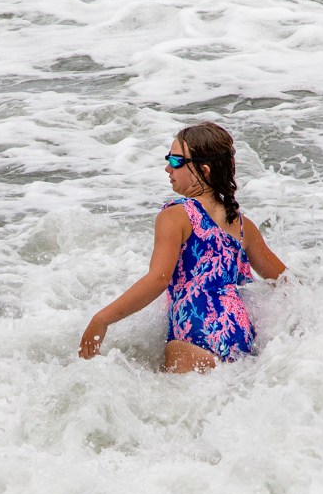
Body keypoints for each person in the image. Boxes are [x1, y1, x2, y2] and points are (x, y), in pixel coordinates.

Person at [78, 121, 286, 373]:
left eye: (176, 161)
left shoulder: (176, 216)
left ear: (204, 170)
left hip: (194, 334)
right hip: (240, 336)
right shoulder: (243, 225)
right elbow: (287, 283)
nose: (168, 168)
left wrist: (102, 319)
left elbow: (158, 279)